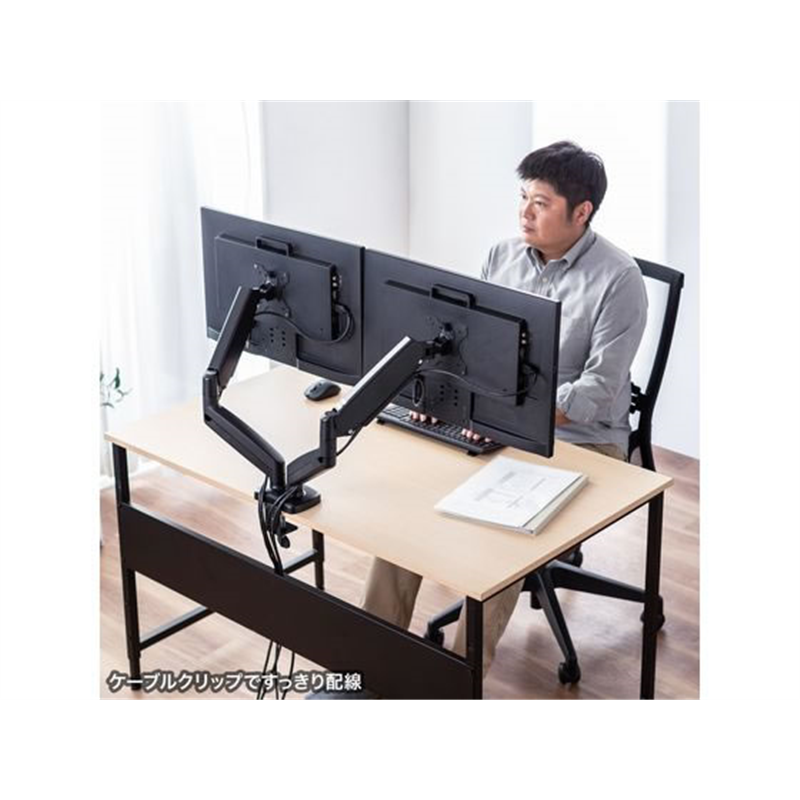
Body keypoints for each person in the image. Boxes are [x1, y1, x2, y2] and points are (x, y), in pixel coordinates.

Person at [316, 141, 648, 697]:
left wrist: (502, 414)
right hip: (495, 425)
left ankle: (453, 689)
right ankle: (370, 672)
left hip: (581, 440)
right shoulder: (501, 256)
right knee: (409, 513)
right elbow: (466, 348)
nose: (525, 213)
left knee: (499, 543)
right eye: (523, 198)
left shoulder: (620, 281)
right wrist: (447, 396)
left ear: (582, 212)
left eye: (541, 203)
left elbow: (597, 390)